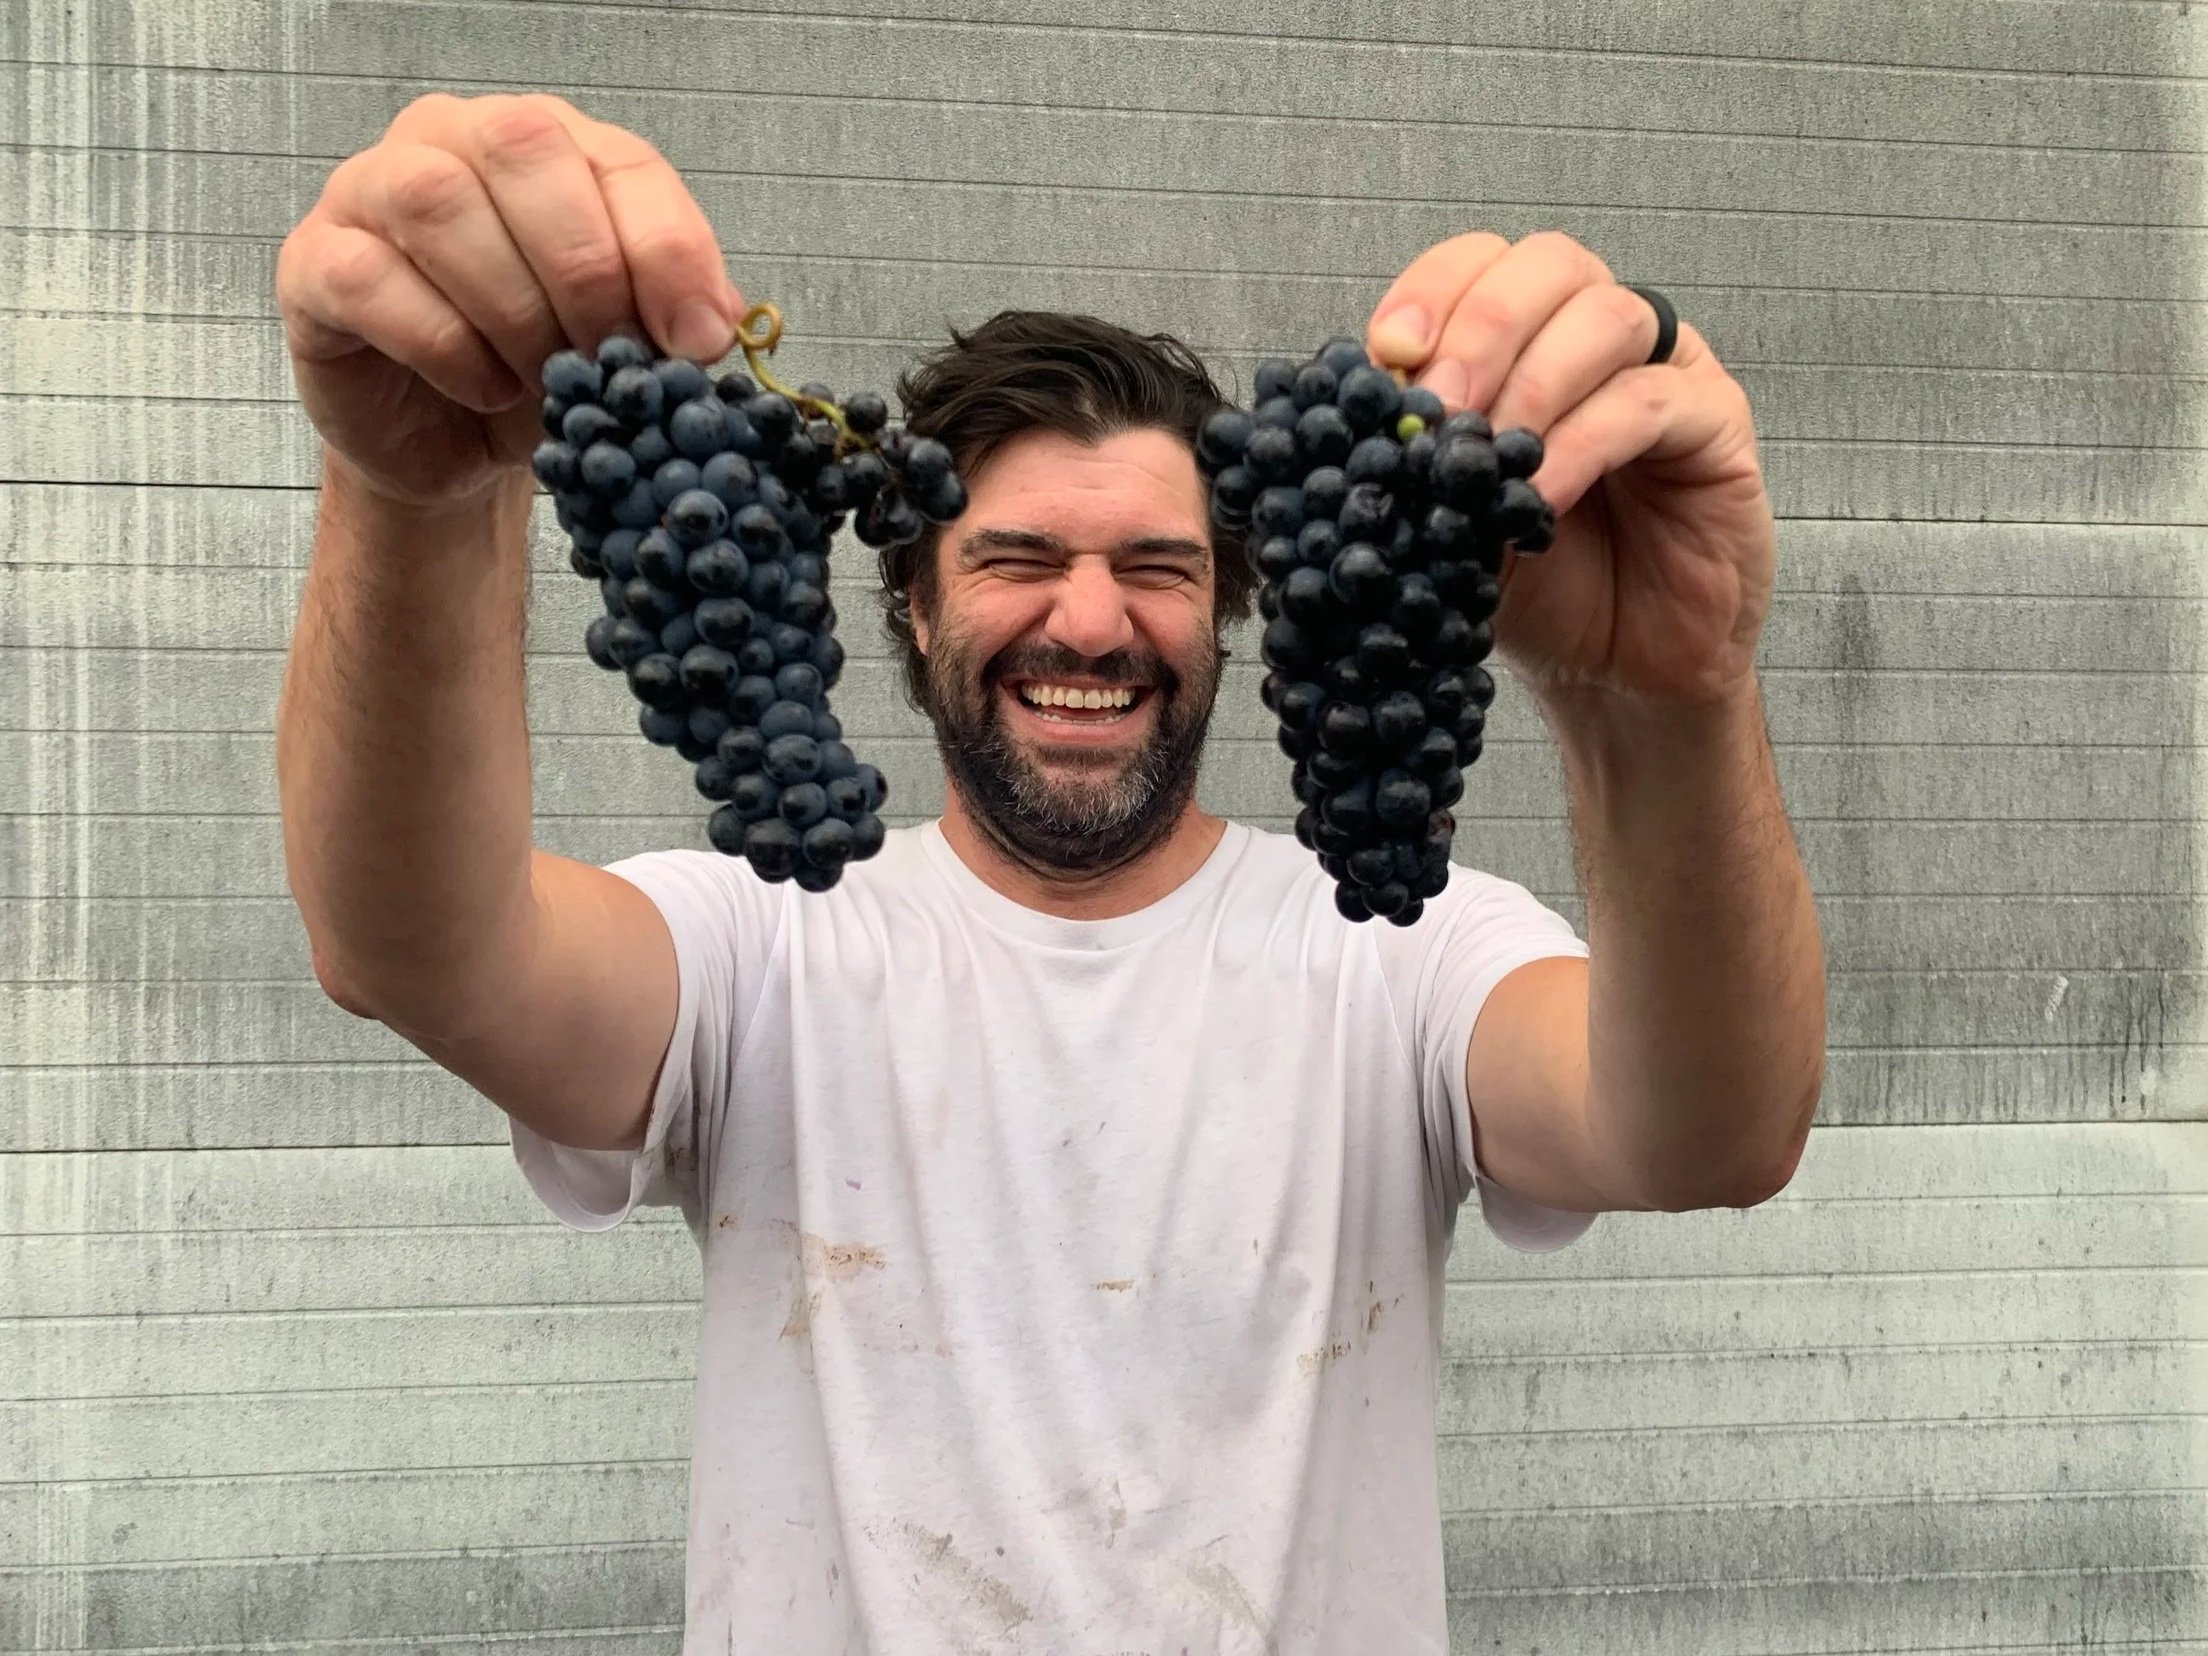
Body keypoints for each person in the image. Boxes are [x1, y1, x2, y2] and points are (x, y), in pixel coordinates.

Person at [274, 91, 1827, 1655]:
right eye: (1016, 562)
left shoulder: (1404, 948)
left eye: (1157, 570)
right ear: (917, 610)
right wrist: (412, 500)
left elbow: (1708, 1129)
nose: (1091, 624)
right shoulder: (765, 941)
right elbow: (421, 948)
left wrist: (1673, 707)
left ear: (1226, 612)